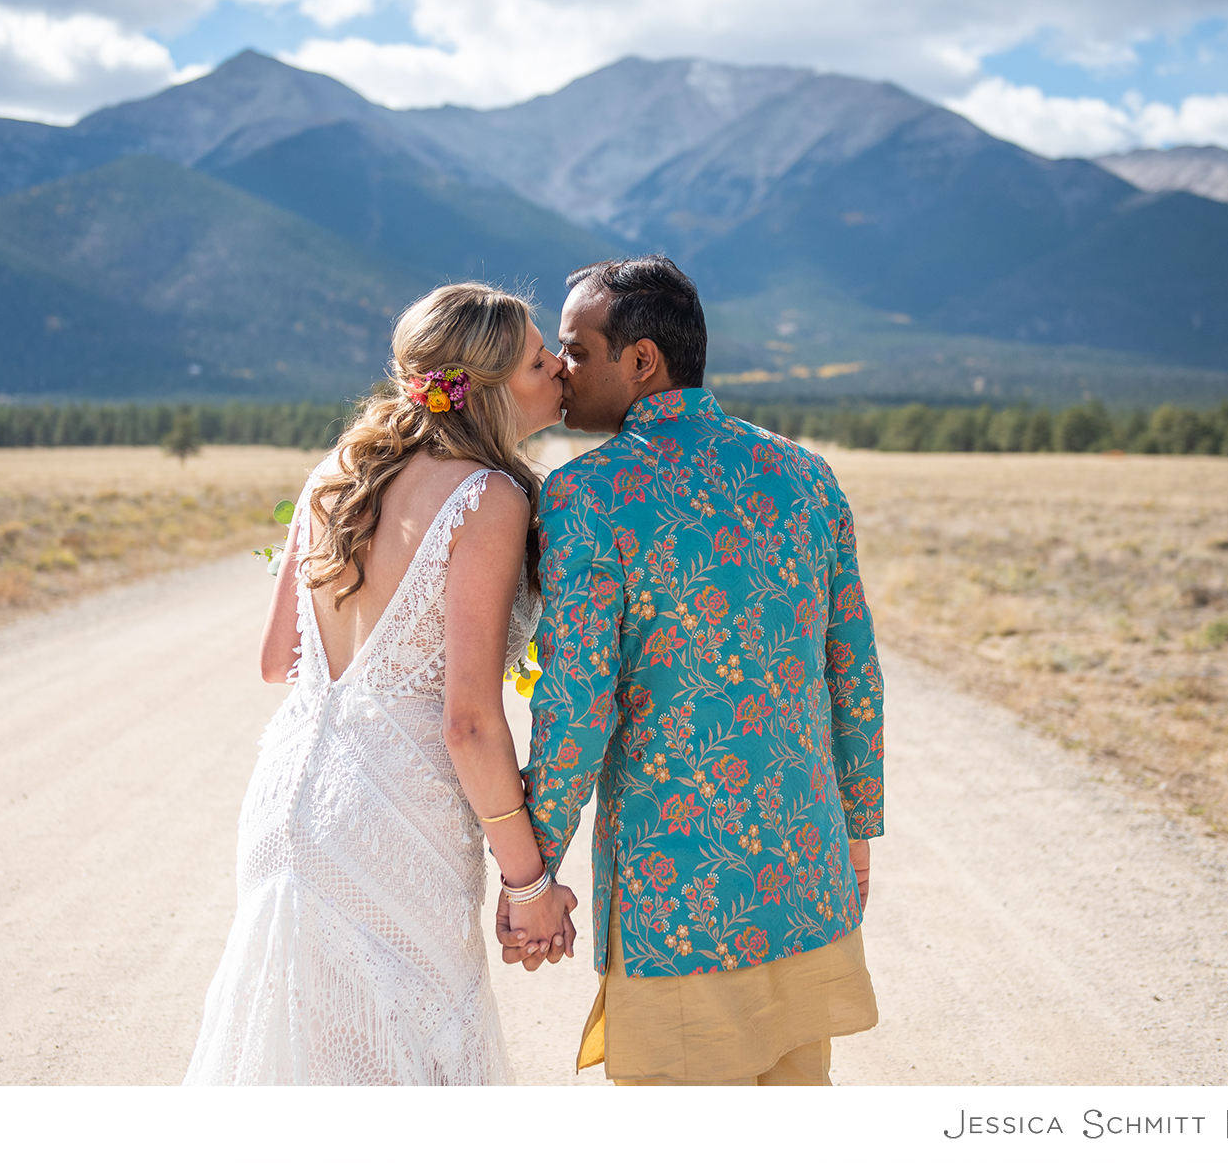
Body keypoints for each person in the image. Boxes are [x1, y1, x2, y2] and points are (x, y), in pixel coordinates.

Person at [499, 255, 887, 1085]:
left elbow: (576, 708)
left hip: (680, 903)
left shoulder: (586, 497)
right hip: (806, 884)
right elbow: (853, 672)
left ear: (642, 361)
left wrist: (531, 871)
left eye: (576, 348)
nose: (561, 368)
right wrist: (855, 834)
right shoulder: (806, 474)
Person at [184, 282, 580, 1085]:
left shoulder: (337, 472)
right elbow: (469, 723)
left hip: (286, 805)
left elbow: (276, 660)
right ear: (490, 389)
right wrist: (529, 882)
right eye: (542, 361)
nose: (562, 369)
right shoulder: (488, 498)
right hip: (394, 823)